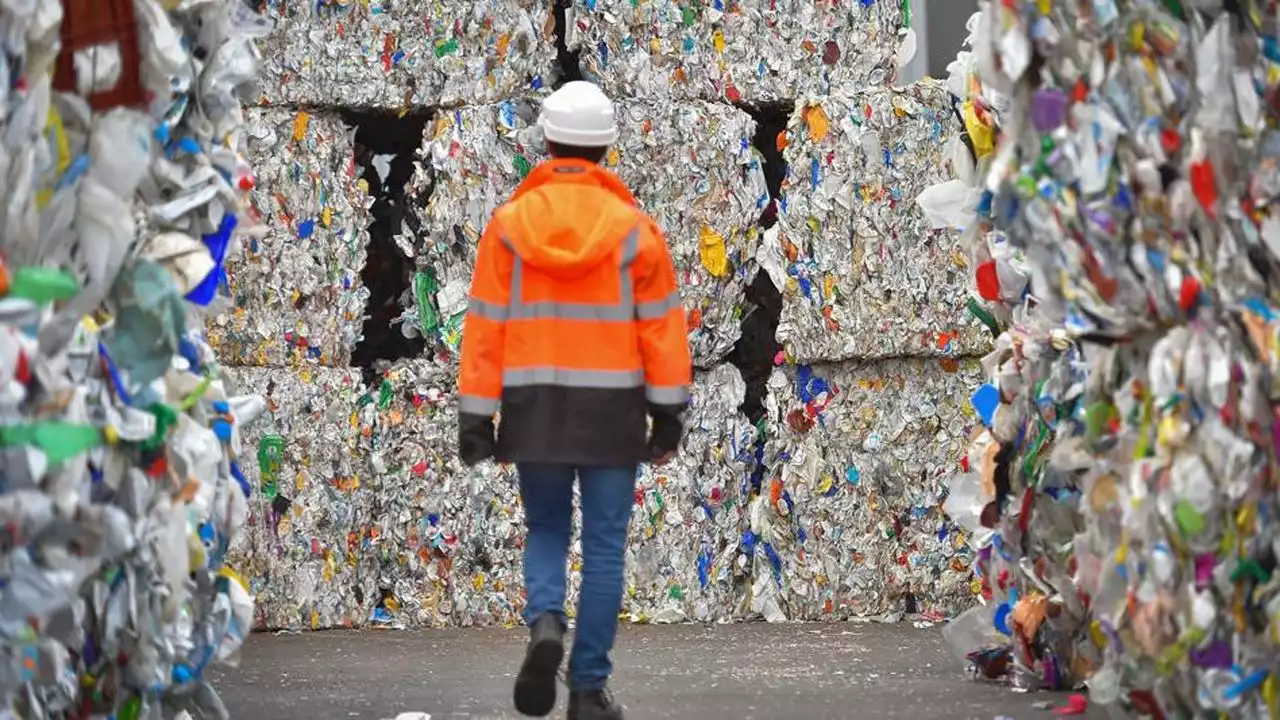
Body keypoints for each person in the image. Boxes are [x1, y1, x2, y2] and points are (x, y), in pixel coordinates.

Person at [455, 81, 693, 720]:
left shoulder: (507, 227)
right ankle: (587, 691)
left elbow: (484, 327)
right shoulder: (634, 231)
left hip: (534, 410)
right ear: (607, 147)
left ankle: (545, 627)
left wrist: (476, 415)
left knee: (547, 529)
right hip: (612, 411)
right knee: (605, 547)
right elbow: (662, 331)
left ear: (547, 141)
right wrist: (668, 415)